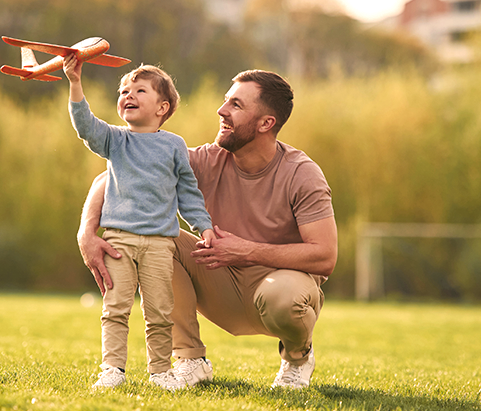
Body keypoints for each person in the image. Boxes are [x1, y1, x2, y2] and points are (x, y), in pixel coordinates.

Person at [77, 69, 338, 389]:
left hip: (279, 288)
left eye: (236, 105)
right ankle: (190, 359)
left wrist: (246, 249)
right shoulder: (206, 159)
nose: (222, 110)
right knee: (160, 241)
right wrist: (87, 233)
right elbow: (111, 178)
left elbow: (324, 256)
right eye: (226, 101)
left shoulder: (301, 173)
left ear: (265, 123)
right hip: (220, 280)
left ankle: (297, 358)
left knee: (282, 297)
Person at [63, 55, 215, 391]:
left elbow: (188, 193)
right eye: (123, 91)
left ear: (162, 107)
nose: (127, 95)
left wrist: (203, 226)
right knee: (115, 308)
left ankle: (161, 371)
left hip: (161, 244)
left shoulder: (174, 146)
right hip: (118, 241)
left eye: (139, 90)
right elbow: (85, 126)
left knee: (160, 312)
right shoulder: (116, 140)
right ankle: (112, 370)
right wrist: (75, 83)